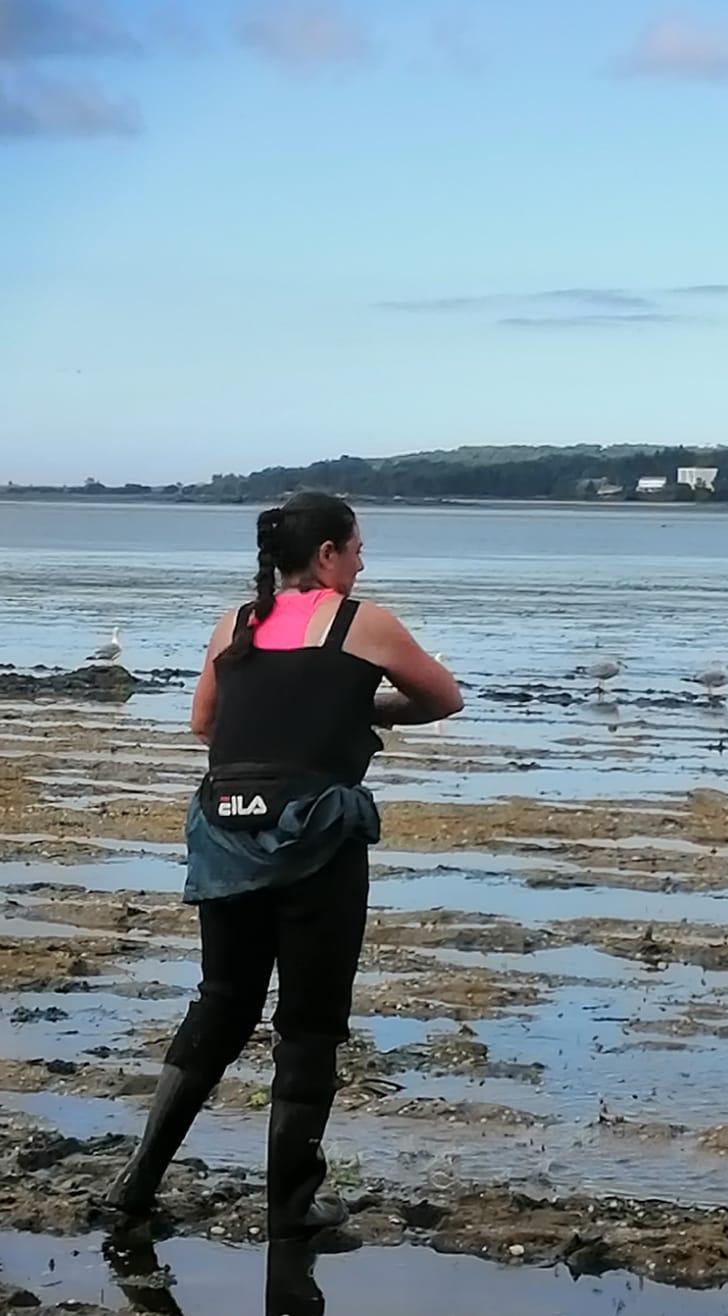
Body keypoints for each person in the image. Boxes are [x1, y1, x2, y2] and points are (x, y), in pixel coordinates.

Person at [108, 491, 463, 1238]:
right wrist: (358, 709)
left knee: (222, 1003)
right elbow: (442, 699)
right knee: (308, 1024)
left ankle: (136, 1183)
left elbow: (205, 723)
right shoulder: (364, 622)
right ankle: (292, 1206)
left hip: (224, 833)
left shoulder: (235, 624)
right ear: (328, 555)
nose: (364, 560)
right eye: (358, 547)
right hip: (315, 843)